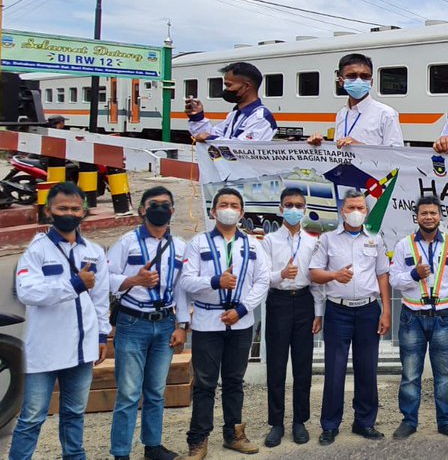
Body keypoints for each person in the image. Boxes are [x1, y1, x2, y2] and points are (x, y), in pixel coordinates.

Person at [10, 182, 111, 460]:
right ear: (49, 211)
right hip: (45, 350)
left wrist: (102, 336)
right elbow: (28, 291)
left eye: (75, 208)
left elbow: (101, 299)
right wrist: (74, 284)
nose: (69, 213)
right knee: (31, 418)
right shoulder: (37, 250)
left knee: (74, 414)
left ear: (84, 212)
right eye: (62, 208)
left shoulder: (94, 251)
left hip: (82, 350)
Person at [179, 188, 271, 459]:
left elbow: (262, 281)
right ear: (213, 210)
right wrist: (214, 281)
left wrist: (242, 309)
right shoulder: (199, 243)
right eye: (223, 204)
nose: (228, 209)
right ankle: (198, 439)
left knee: (234, 381)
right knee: (205, 383)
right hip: (209, 321)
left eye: (234, 205)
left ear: (242, 213)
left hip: (240, 323)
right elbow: (186, 281)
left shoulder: (253, 245)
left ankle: (233, 433)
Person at [107, 186, 189, 460]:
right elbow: (105, 278)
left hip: (164, 323)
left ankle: (152, 446)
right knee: (129, 394)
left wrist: (181, 325)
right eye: (153, 204)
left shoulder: (179, 246)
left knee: (155, 391)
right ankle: (121, 453)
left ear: (173, 211)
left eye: (165, 205)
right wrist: (133, 281)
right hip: (133, 323)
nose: (160, 209)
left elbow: (182, 288)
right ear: (143, 210)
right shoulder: (126, 242)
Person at [309, 191, 392, 446]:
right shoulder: (327, 239)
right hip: (338, 312)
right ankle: (330, 425)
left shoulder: (376, 239)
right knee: (334, 370)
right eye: (350, 207)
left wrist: (386, 310)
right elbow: (314, 273)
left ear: (366, 212)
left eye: (360, 207)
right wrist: (334, 276)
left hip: (368, 311)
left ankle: (364, 422)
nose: (355, 212)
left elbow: (382, 276)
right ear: (342, 210)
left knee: (367, 369)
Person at [387, 196, 448, 441]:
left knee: (445, 375)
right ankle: (409, 421)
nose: (429, 217)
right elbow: (394, 280)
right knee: (410, 374)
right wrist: (414, 274)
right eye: (424, 213)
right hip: (412, 316)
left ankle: (446, 422)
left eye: (433, 213)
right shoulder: (404, 245)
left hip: (444, 316)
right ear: (417, 217)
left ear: (440, 216)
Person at [260, 188, 325, 447]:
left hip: (305, 302)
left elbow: (318, 281)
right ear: (280, 208)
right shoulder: (269, 241)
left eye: (299, 205)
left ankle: (300, 421)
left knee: (302, 366)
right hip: (278, 301)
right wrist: (281, 275)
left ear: (305, 209)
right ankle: (276, 423)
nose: (294, 209)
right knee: (276, 366)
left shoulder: (313, 242)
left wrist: (318, 313)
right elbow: (263, 277)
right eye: (289, 204)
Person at [307, 52, 404, 148]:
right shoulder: (342, 114)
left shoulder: (386, 114)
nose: (359, 80)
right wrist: (322, 146)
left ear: (371, 82)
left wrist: (360, 148)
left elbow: (396, 156)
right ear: (341, 81)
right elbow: (339, 150)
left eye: (365, 76)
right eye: (352, 76)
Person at [185, 61, 277, 142]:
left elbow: (243, 148)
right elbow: (208, 134)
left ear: (246, 86)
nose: (226, 90)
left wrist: (211, 139)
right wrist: (197, 117)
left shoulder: (261, 118)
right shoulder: (234, 115)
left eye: (229, 85)